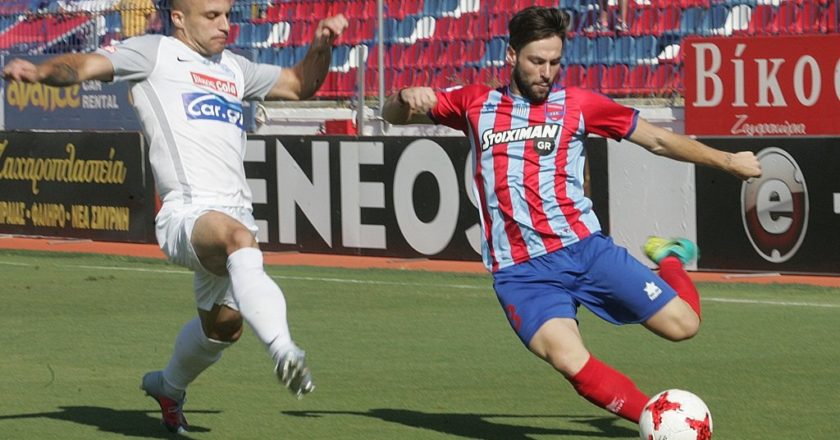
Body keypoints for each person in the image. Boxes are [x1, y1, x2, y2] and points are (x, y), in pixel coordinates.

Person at [382, 6, 761, 425]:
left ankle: (669, 256)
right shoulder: (475, 103)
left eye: (555, 62)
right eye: (536, 61)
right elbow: (391, 115)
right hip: (521, 274)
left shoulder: (578, 104)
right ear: (511, 56)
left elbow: (657, 140)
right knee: (568, 358)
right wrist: (404, 97)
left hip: (584, 251)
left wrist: (728, 161)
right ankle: (656, 422)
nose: (547, 72)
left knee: (684, 326)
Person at [3, 0, 347, 434]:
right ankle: (285, 351)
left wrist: (321, 46)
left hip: (234, 214)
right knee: (239, 241)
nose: (225, 25)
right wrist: (40, 71)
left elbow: (299, 85)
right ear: (179, 19)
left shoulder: (234, 68)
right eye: (212, 16)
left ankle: (167, 387)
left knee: (223, 330)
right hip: (186, 212)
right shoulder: (154, 53)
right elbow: (84, 65)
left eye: (227, 15)